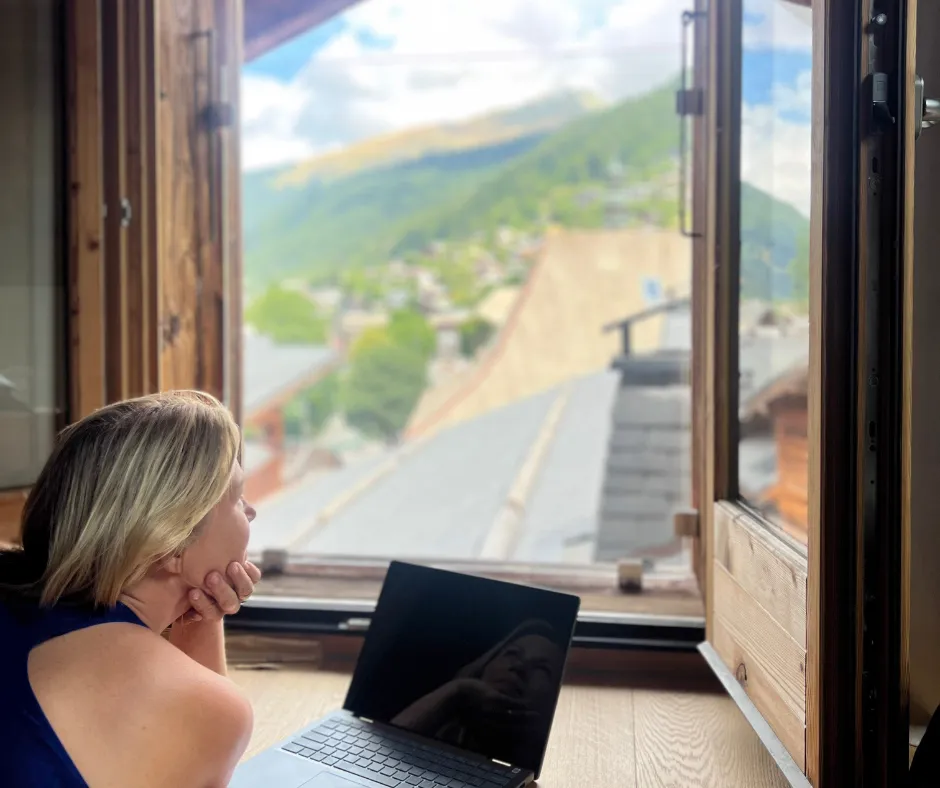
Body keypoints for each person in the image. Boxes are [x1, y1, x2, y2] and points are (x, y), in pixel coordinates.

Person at [0, 391, 263, 788]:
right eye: (237, 496)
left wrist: (199, 619)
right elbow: (203, 749)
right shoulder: (208, 710)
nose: (251, 511)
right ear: (172, 542)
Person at [391, 620, 565, 764]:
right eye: (512, 654)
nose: (519, 667)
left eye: (541, 669)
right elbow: (387, 752)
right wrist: (457, 690)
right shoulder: (449, 732)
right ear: (485, 665)